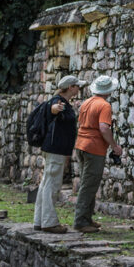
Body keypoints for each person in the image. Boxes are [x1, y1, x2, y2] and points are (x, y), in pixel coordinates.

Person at [33, 75, 85, 233]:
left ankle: (40, 220)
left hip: (53, 147)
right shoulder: (57, 102)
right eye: (78, 86)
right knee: (52, 185)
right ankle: (49, 222)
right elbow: (53, 109)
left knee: (46, 183)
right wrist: (56, 109)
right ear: (71, 87)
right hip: (55, 148)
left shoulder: (59, 101)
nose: (79, 89)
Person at [73, 75, 122, 233]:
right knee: (89, 185)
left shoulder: (86, 103)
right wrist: (114, 146)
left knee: (88, 183)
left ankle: (87, 218)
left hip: (81, 144)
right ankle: (80, 221)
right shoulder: (105, 106)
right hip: (94, 148)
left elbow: (83, 123)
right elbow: (103, 128)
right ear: (108, 90)